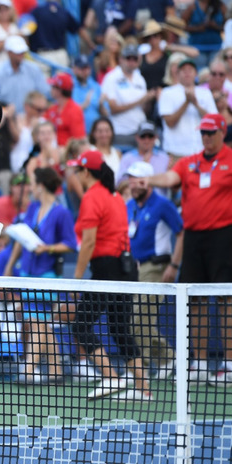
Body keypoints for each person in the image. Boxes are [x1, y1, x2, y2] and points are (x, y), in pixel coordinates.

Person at [135, 114, 232, 385]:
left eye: (211, 132)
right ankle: (200, 363)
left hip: (225, 238)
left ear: (222, 132)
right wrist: (149, 180)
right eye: (203, 132)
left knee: (226, 301)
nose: (206, 137)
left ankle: (228, 366)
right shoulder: (189, 163)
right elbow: (170, 177)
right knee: (196, 301)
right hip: (193, 239)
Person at [71, 150, 152, 402]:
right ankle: (143, 389)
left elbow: (89, 242)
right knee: (119, 328)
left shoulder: (92, 197)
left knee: (81, 324)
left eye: (78, 170)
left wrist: (75, 279)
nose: (75, 174)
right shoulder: (116, 196)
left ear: (86, 172)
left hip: (106, 268)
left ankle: (112, 378)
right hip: (126, 269)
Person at [2, 167, 76, 382]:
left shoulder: (61, 212)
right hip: (27, 274)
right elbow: (22, 240)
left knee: (36, 321)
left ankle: (28, 368)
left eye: (34, 184)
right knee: (41, 323)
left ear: (41, 186)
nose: (32, 188)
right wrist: (8, 269)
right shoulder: (33, 208)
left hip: (47, 276)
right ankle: (56, 371)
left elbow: (70, 244)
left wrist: (48, 248)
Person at [123, 161, 181, 378]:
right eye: (130, 180)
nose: (133, 184)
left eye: (137, 180)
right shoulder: (130, 206)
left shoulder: (163, 204)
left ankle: (141, 367)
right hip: (134, 269)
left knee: (138, 318)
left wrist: (174, 265)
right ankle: (168, 358)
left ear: (147, 182)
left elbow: (181, 232)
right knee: (137, 320)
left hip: (156, 266)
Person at [158, 57, 217, 158]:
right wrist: (186, 103)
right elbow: (169, 122)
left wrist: (196, 104)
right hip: (176, 152)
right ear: (178, 74)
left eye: (190, 70)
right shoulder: (167, 93)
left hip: (201, 151)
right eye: (183, 70)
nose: (187, 73)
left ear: (196, 74)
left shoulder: (205, 93)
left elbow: (214, 121)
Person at [44, 72, 85, 148]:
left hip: (67, 154)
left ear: (60, 90)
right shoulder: (52, 109)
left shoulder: (75, 110)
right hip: (51, 152)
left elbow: (79, 140)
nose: (51, 90)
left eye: (53, 87)